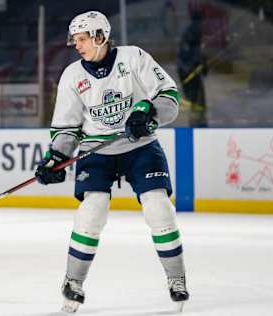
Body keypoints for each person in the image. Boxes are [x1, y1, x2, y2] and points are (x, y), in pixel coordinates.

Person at [35, 11, 189, 313]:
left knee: (158, 207)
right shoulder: (72, 76)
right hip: (96, 151)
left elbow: (170, 97)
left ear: (100, 37)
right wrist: (56, 157)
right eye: (75, 40)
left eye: (82, 39)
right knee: (92, 211)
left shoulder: (133, 58)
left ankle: (177, 278)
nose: (77, 45)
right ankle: (73, 282)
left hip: (140, 147)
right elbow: (66, 128)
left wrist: (148, 112)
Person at [177, 9, 208, 127]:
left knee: (195, 98)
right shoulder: (195, 29)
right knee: (196, 98)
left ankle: (197, 121)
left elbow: (197, 51)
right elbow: (195, 51)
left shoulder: (192, 30)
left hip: (188, 70)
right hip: (189, 71)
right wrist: (197, 65)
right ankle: (198, 123)